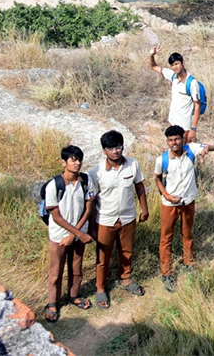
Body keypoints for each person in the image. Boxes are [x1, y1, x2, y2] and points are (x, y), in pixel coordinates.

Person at [154, 125, 214, 292]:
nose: (174, 143)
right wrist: (166, 195)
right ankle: (166, 272)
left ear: (182, 139)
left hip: (188, 201)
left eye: (177, 139)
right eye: (170, 140)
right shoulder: (162, 160)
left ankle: (189, 261)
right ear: (167, 142)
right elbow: (157, 178)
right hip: (170, 204)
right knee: (166, 238)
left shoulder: (191, 149)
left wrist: (208, 147)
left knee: (187, 233)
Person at [89, 130, 149, 309]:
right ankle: (100, 288)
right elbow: (91, 201)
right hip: (105, 220)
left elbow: (139, 187)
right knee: (103, 256)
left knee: (126, 251)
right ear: (104, 151)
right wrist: (91, 226)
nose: (115, 151)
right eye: (110, 148)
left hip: (128, 217)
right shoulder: (96, 171)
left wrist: (144, 210)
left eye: (118, 147)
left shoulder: (133, 164)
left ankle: (126, 278)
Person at [44, 145, 96, 322]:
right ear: (63, 162)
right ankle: (52, 302)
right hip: (59, 235)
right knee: (55, 271)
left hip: (78, 233)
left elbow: (89, 207)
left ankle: (74, 295)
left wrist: (76, 234)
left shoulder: (86, 181)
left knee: (76, 267)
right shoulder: (54, 186)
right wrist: (76, 234)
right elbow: (56, 216)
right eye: (73, 160)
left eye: (79, 159)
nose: (77, 163)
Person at [149, 46, 202, 142]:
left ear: (183, 63)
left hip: (185, 125)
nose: (174, 67)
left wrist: (193, 129)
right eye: (172, 65)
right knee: (173, 146)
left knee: (185, 149)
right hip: (172, 120)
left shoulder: (192, 83)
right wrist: (152, 55)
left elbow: (198, 106)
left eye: (176, 64)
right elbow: (153, 66)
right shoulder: (172, 75)